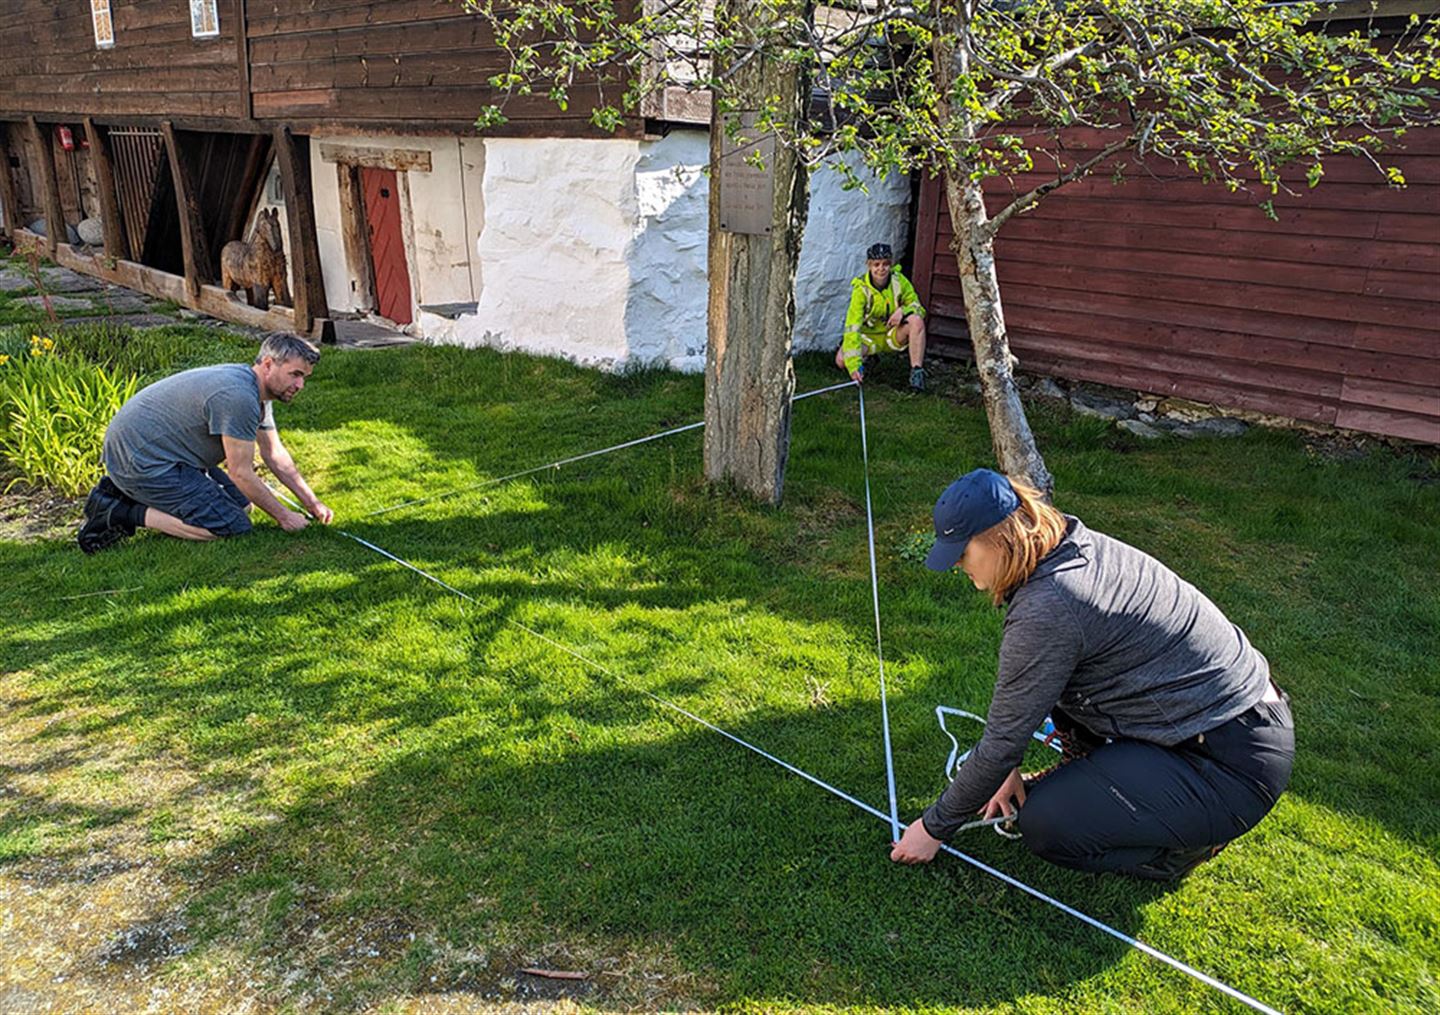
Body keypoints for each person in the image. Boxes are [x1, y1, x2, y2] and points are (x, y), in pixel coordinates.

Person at [889, 469, 1294, 880]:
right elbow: (1028, 698)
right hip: (1226, 725)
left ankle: (1180, 849)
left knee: (1049, 824)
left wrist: (932, 828)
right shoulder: (1066, 544)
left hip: (1229, 764)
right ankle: (1114, 780)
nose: (958, 564)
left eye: (962, 551)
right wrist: (1004, 768)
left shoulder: (1051, 605)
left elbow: (1002, 739)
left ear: (999, 537)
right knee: (1061, 703)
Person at [77, 332, 334, 553]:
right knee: (230, 526)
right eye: (295, 374)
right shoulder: (239, 397)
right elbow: (240, 473)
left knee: (242, 507)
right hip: (142, 463)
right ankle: (116, 510)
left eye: (304, 377)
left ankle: (129, 493)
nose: (300, 384)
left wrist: (312, 503)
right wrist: (285, 517)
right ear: (268, 364)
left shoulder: (255, 391)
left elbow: (274, 454)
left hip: (165, 456)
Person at [835, 242, 928, 392]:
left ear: (890, 264)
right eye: (876, 264)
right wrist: (853, 365)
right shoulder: (861, 289)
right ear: (869, 265)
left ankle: (916, 373)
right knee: (841, 361)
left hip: (892, 334)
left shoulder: (899, 281)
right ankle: (868, 359)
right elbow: (853, 326)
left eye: (885, 264)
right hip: (869, 337)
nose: (881, 269)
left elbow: (918, 307)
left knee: (916, 320)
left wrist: (903, 310)